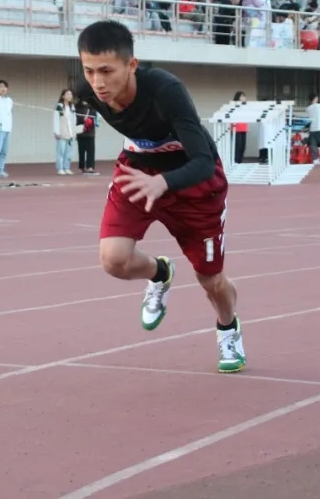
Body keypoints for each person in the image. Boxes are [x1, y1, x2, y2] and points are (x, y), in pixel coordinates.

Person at [75, 20, 243, 373]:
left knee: (211, 280)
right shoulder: (86, 90)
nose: (97, 82)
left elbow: (202, 161)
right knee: (113, 260)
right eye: (89, 71)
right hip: (137, 174)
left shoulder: (167, 91)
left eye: (106, 71)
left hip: (193, 185)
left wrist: (165, 182)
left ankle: (228, 329)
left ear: (131, 65)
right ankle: (160, 272)